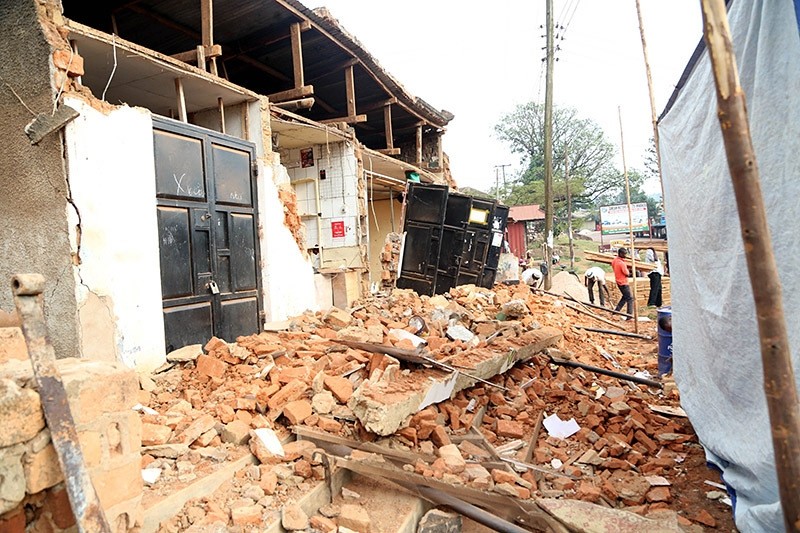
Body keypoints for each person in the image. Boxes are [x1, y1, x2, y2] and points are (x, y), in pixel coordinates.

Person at [612, 248, 633, 317]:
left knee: (624, 297)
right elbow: (627, 273)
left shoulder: (614, 260)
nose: (625, 255)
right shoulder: (621, 263)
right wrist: (631, 272)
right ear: (620, 254)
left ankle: (616, 311)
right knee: (630, 298)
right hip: (623, 283)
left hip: (618, 281)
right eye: (624, 254)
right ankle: (629, 316)